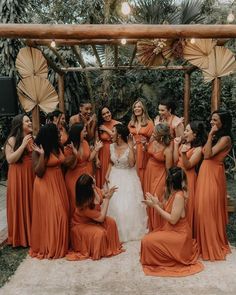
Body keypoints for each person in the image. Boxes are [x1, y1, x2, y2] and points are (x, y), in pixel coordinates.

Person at [141, 167, 204, 277]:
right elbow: (167, 209)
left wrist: (156, 207)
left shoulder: (179, 196)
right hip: (171, 230)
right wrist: (156, 203)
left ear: (170, 181)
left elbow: (173, 220)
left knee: (147, 241)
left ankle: (170, 256)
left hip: (180, 235)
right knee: (147, 240)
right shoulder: (172, 193)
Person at [194, 110, 232, 261]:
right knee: (201, 208)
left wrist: (209, 136)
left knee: (207, 209)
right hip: (205, 172)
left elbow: (208, 154)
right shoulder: (216, 137)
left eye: (215, 120)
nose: (211, 122)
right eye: (211, 119)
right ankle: (203, 243)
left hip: (213, 174)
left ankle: (211, 244)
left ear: (223, 122)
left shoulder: (225, 139)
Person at [30, 123, 69, 259]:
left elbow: (64, 164)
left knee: (62, 213)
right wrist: (42, 155)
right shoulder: (38, 149)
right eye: (57, 132)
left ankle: (60, 245)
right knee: (56, 215)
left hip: (58, 183)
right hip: (45, 184)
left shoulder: (58, 146)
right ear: (50, 135)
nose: (59, 134)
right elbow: (38, 172)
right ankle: (51, 246)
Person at [66, 174, 123, 261]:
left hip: (92, 220)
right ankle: (101, 250)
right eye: (92, 182)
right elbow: (101, 218)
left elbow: (101, 194)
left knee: (111, 222)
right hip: (81, 225)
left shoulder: (93, 188)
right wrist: (107, 199)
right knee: (99, 233)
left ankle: (111, 246)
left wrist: (107, 192)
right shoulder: (84, 205)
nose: (94, 181)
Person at [106, 124, 147, 242]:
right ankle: (114, 231)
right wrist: (107, 173)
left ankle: (126, 232)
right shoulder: (111, 146)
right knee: (113, 204)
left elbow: (131, 164)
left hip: (128, 177)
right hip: (114, 176)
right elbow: (111, 161)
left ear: (119, 135)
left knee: (126, 206)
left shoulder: (130, 148)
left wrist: (130, 148)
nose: (110, 134)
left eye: (112, 131)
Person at [4, 114, 34, 247]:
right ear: (19, 125)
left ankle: (32, 235)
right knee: (20, 202)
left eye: (30, 120)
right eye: (27, 121)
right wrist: (22, 145)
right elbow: (10, 159)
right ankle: (21, 237)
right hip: (18, 176)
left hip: (30, 175)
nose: (30, 122)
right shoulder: (12, 140)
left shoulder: (31, 138)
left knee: (30, 202)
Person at [174, 121, 207, 233]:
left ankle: (186, 234)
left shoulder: (198, 150)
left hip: (188, 178)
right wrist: (176, 145)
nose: (184, 132)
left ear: (195, 134)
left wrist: (183, 153)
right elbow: (175, 160)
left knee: (186, 205)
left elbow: (188, 166)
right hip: (178, 176)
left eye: (187, 130)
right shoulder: (186, 144)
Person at [64, 123, 103, 218]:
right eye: (84, 131)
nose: (86, 133)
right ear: (78, 133)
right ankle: (77, 223)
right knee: (76, 200)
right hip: (74, 177)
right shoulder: (68, 147)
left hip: (86, 174)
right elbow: (72, 166)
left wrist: (96, 149)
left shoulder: (85, 143)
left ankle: (87, 221)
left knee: (88, 199)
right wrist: (75, 154)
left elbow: (89, 158)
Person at [143, 123, 173, 231]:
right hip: (149, 172)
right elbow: (148, 152)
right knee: (148, 195)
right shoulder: (152, 141)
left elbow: (169, 170)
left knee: (156, 196)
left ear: (161, 135)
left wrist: (167, 185)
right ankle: (151, 226)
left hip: (160, 175)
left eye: (155, 133)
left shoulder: (167, 150)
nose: (153, 134)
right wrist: (146, 147)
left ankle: (158, 227)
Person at [128, 99, 154, 186]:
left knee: (142, 172)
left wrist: (146, 146)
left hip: (144, 150)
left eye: (139, 106)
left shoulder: (149, 123)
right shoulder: (131, 123)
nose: (136, 108)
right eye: (135, 107)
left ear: (143, 109)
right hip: (132, 149)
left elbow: (153, 140)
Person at [95, 106, 120, 188]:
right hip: (103, 153)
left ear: (110, 112)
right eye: (103, 114)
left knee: (113, 174)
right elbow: (97, 142)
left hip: (115, 150)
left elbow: (119, 138)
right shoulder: (99, 126)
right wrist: (96, 158)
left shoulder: (117, 124)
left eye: (107, 112)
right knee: (104, 173)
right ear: (101, 116)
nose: (106, 115)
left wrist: (106, 129)